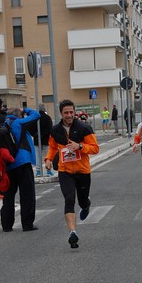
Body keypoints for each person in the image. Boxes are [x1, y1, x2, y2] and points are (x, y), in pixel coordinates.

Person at [44, 99, 99, 249]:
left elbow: (95, 148)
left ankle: (86, 204)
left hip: (82, 171)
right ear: (61, 114)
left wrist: (79, 146)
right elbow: (53, 147)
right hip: (65, 171)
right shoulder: (55, 130)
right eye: (65, 113)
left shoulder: (84, 128)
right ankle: (72, 233)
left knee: (81, 201)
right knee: (69, 199)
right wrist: (48, 159)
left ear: (74, 112)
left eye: (71, 112)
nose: (69, 115)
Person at [0, 107, 40, 232]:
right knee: (27, 194)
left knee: (8, 196)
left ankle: (6, 225)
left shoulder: (3, 124)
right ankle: (27, 224)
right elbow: (36, 115)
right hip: (22, 162)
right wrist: (25, 109)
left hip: (8, 164)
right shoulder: (19, 123)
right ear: (18, 115)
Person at [31, 103, 54, 177]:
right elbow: (50, 129)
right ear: (44, 109)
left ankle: (38, 171)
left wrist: (35, 135)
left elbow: (30, 128)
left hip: (36, 140)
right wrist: (42, 134)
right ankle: (48, 170)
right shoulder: (47, 118)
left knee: (38, 156)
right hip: (46, 140)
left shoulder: (34, 118)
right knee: (47, 156)